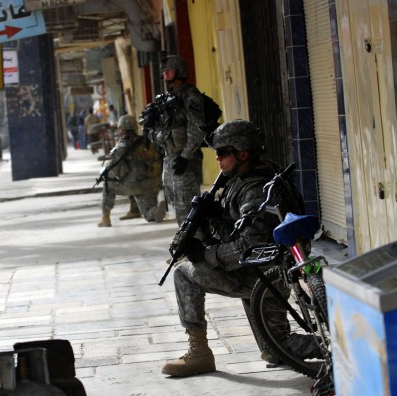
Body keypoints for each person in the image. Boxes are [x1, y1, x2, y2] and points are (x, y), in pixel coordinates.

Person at [161, 119, 319, 377]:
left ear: (242, 153)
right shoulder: (244, 178)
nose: (218, 160)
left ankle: (199, 353)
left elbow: (250, 247)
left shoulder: (255, 187)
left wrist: (205, 254)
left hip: (264, 274)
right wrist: (211, 219)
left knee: (183, 273)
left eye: (223, 153)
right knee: (275, 350)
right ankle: (332, 346)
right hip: (264, 272)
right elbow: (238, 231)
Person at [151, 55, 207, 226]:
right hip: (169, 158)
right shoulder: (168, 98)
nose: (165, 74)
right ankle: (188, 245)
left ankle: (195, 247)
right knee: (177, 205)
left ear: (180, 71)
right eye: (164, 71)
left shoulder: (190, 97)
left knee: (188, 207)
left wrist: (185, 156)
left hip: (185, 160)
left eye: (169, 71)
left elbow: (197, 130)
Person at [96, 114, 166, 227]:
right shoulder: (147, 142)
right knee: (148, 213)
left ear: (122, 129)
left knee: (109, 183)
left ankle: (105, 218)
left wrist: (105, 174)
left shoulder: (121, 147)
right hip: (153, 183)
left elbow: (112, 171)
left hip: (135, 185)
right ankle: (152, 211)